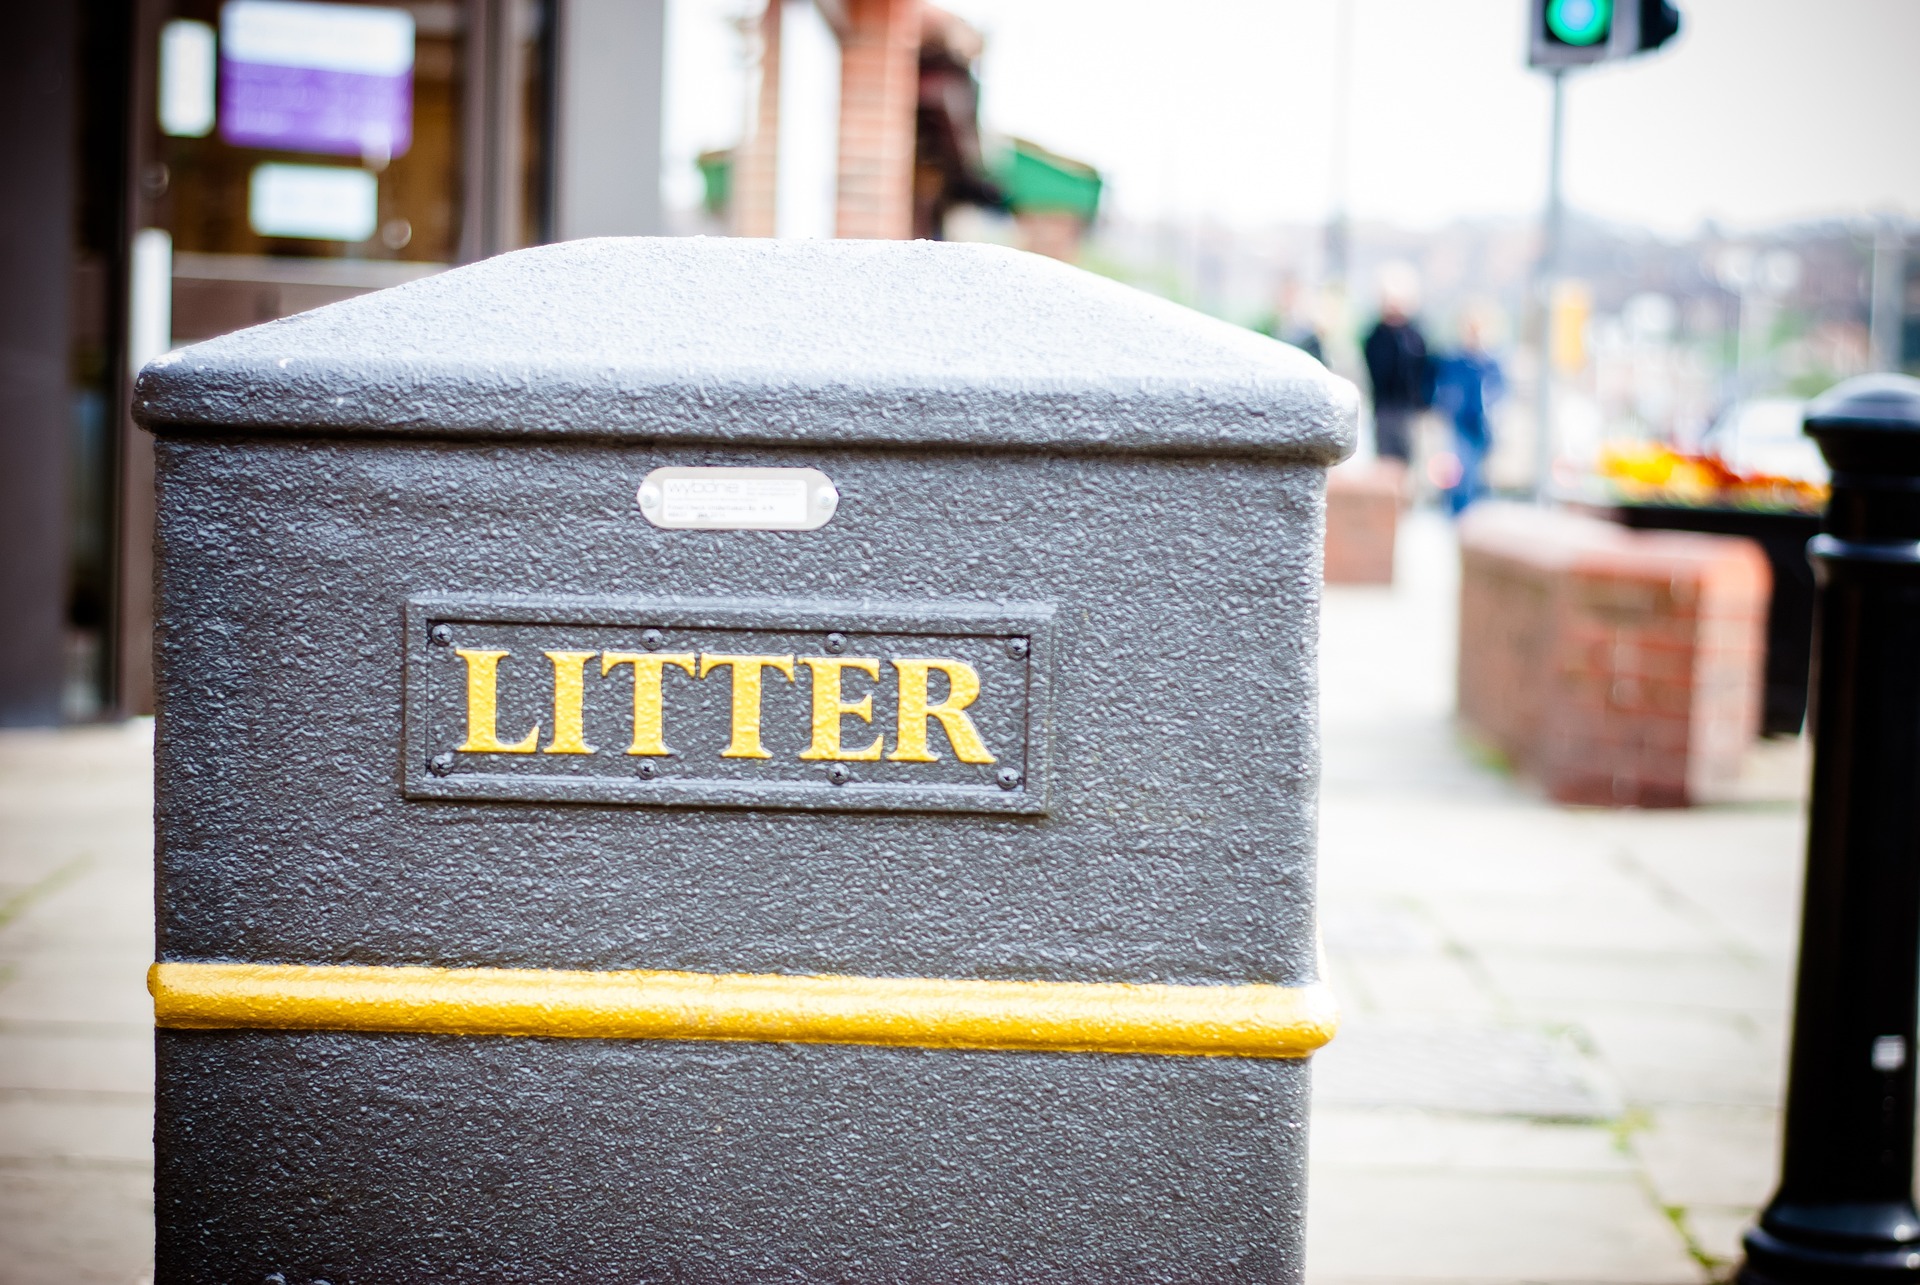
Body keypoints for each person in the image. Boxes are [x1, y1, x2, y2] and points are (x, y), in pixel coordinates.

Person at [1431, 313, 1506, 515]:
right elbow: (1444, 389)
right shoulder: (1456, 361)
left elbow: (1499, 393)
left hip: (1482, 425)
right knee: (1460, 473)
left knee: (1481, 475)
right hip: (1460, 423)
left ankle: (1476, 516)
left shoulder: (1490, 363)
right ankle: (1458, 514)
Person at [1362, 284, 1430, 464]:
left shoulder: (1414, 335)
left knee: (1409, 457)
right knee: (1386, 458)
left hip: (1409, 408)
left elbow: (1422, 369)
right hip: (1385, 406)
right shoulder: (1376, 335)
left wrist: (1422, 402)